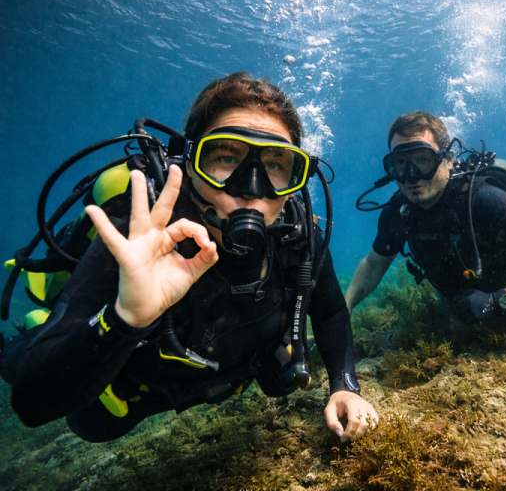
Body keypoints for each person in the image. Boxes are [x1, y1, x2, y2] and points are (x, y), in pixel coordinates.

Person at [5, 72, 378, 443]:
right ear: (188, 162)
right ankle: (37, 332)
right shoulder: (143, 236)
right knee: (95, 426)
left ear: (296, 178)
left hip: (233, 368)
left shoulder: (298, 234)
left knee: (282, 378)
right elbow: (31, 404)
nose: (250, 191)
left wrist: (345, 385)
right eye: (226, 158)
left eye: (275, 165)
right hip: (139, 392)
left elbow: (329, 311)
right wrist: (126, 318)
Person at [346, 111, 506, 324]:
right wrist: (341, 312)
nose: (411, 175)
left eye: (423, 160)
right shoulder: (399, 211)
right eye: (400, 163)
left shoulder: (486, 201)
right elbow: (373, 264)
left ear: (448, 160)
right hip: (461, 313)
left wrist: (498, 301)